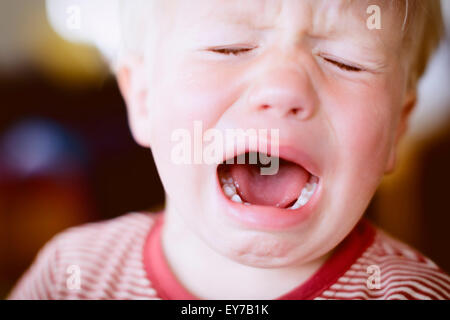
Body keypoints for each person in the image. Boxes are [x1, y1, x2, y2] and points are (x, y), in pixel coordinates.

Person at [9, 0, 450, 300]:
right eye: (229, 47)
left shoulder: (415, 292)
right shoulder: (71, 275)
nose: (283, 90)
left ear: (397, 127)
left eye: (344, 61)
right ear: (143, 97)